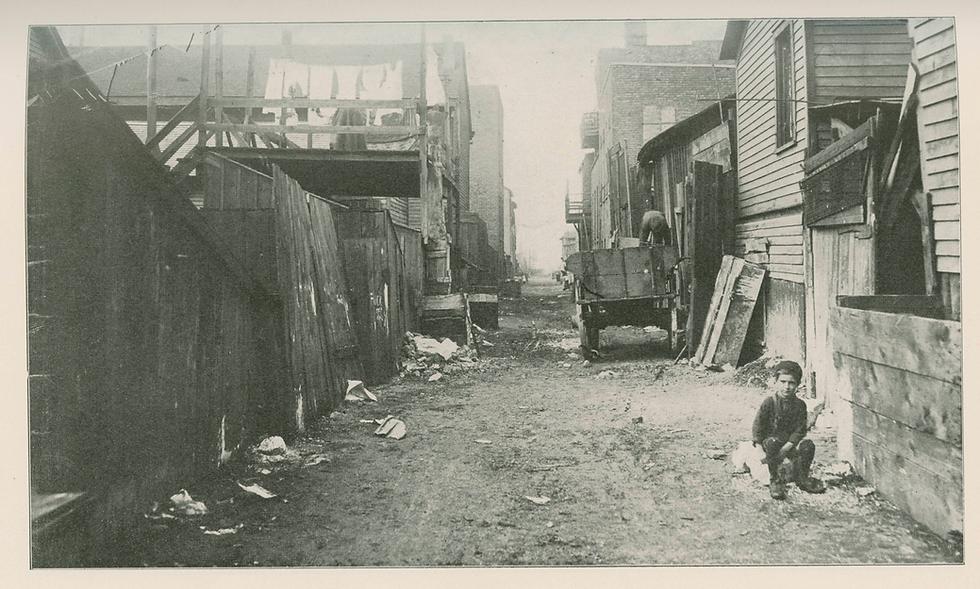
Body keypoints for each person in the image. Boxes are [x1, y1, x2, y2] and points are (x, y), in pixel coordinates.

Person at [751, 360, 826, 499]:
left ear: (797, 384)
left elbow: (800, 430)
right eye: (783, 382)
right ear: (776, 382)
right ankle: (775, 480)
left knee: (808, 445)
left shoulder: (800, 405)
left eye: (791, 383)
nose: (787, 387)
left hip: (789, 445)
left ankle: (802, 478)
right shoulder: (769, 403)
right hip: (772, 445)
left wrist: (786, 449)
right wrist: (760, 448)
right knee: (772, 442)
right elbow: (758, 427)